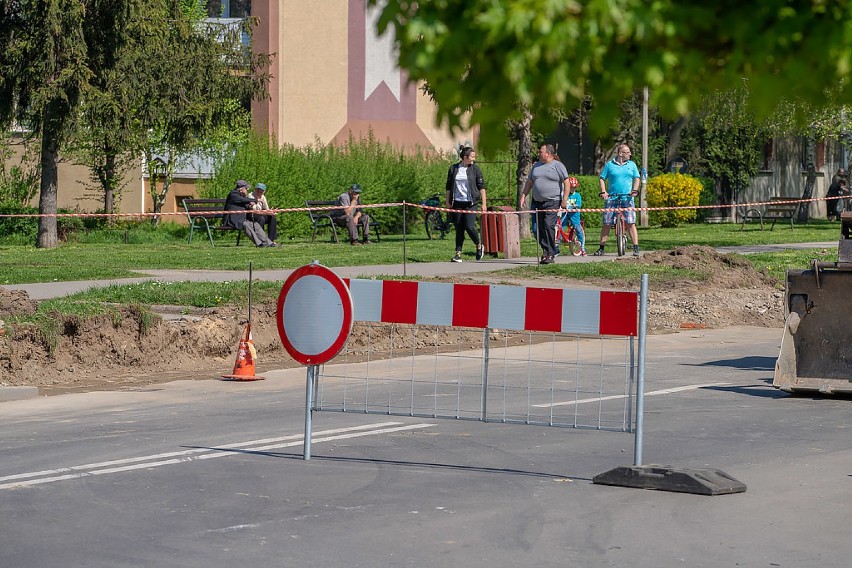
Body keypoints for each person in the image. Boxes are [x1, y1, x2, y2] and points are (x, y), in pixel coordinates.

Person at [520, 144, 570, 264]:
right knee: (537, 228)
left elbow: (566, 182)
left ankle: (550, 253)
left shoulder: (558, 166)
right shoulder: (536, 166)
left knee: (548, 225)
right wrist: (523, 195)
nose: (538, 153)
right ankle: (546, 251)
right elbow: (530, 182)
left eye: (541, 151)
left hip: (552, 201)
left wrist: (564, 199)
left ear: (548, 153)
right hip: (537, 201)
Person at [593, 143, 641, 257]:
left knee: (630, 223)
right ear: (620, 153)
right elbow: (602, 178)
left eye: (629, 152)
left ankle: (636, 248)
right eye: (627, 152)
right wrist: (604, 191)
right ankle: (601, 248)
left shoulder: (632, 165)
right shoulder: (610, 165)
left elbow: (637, 178)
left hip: (627, 198)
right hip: (612, 198)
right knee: (607, 223)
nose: (630, 154)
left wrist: (634, 190)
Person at [445, 146, 487, 262]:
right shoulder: (453, 169)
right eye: (472, 157)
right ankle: (458, 253)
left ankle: (479, 245)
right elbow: (448, 187)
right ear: (465, 157)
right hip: (457, 202)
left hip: (471, 202)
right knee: (459, 228)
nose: (474, 159)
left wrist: (484, 204)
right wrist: (447, 201)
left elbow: (482, 187)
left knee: (469, 226)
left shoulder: (475, 169)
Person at [223, 179, 277, 247]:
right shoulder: (233, 194)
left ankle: (268, 243)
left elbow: (245, 204)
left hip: (241, 219)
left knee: (256, 225)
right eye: (246, 188)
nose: (247, 189)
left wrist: (249, 206)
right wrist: (256, 200)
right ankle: (259, 244)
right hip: (231, 220)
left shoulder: (241, 195)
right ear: (241, 189)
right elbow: (242, 200)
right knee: (246, 225)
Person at [556, 176, 587, 256]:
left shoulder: (577, 195)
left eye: (574, 188)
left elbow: (579, 204)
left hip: (574, 214)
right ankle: (557, 244)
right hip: (565, 214)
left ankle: (582, 247)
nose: (572, 189)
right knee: (560, 226)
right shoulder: (565, 195)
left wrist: (575, 206)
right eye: (571, 188)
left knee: (577, 228)